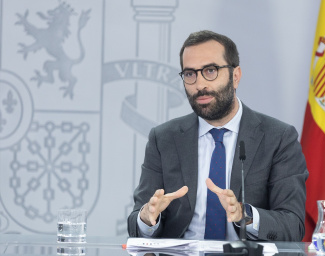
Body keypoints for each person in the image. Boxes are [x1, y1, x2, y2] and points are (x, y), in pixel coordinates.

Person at [127, 30, 308, 241]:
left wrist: (245, 214)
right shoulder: (164, 138)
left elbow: (292, 225)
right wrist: (148, 217)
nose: (200, 84)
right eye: (189, 74)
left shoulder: (278, 138)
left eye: (210, 70)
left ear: (235, 76)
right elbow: (136, 223)